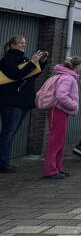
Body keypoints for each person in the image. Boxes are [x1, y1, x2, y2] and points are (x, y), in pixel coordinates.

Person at [0, 35, 49, 173]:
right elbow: (17, 74)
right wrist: (33, 63)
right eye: (20, 43)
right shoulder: (7, 60)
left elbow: (32, 75)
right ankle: (3, 163)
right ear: (12, 45)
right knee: (8, 133)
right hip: (11, 102)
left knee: (11, 132)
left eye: (24, 43)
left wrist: (42, 63)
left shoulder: (25, 59)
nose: (23, 45)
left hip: (23, 102)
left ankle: (4, 161)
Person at [38, 56, 81, 179]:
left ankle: (57, 167)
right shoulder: (68, 78)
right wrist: (73, 105)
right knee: (56, 140)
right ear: (76, 66)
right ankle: (50, 170)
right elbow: (61, 95)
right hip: (58, 110)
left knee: (60, 140)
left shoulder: (65, 76)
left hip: (60, 111)